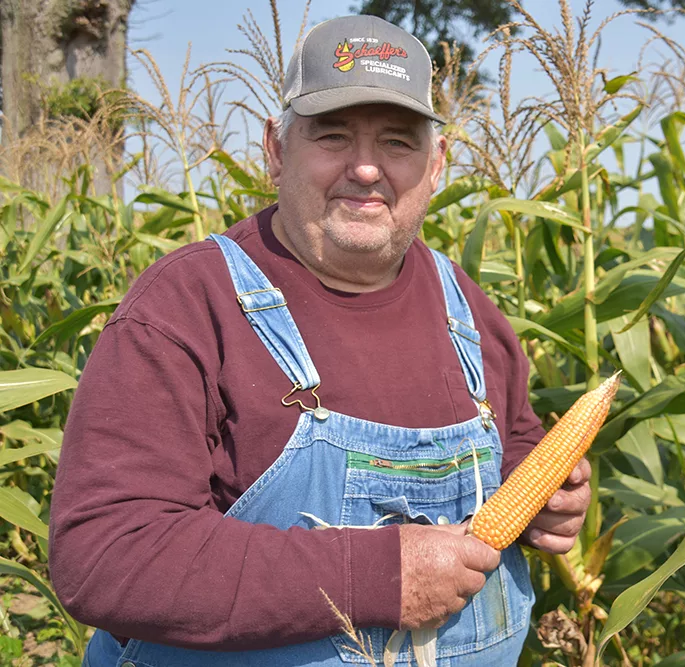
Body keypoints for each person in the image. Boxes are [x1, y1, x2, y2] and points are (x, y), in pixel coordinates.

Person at [49, 13, 593, 667]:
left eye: (397, 142)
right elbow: (108, 553)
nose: (366, 168)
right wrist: (378, 577)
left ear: (437, 164)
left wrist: (541, 498)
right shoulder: (187, 306)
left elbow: (516, 441)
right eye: (332, 135)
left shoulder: (468, 309)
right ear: (276, 148)